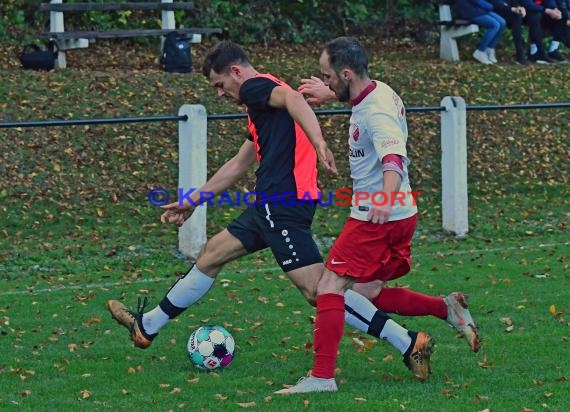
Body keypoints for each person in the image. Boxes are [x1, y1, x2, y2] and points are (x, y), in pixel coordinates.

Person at [106, 40, 434, 383]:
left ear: (236, 72)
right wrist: (193, 200)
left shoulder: (254, 87)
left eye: (220, 85)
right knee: (211, 255)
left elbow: (293, 98)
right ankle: (147, 326)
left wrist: (319, 140)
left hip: (283, 205)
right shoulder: (262, 104)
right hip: (266, 205)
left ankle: (407, 341)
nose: (220, 94)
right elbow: (238, 164)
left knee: (322, 292)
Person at [275, 37, 480, 394]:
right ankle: (445, 309)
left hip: (376, 216)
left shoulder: (376, 111)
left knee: (329, 287)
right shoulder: (377, 90)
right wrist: (330, 93)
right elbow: (368, 118)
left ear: (347, 74)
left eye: (329, 77)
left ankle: (322, 377)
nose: (325, 82)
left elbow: (393, 157)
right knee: (367, 292)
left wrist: (384, 196)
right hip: (402, 214)